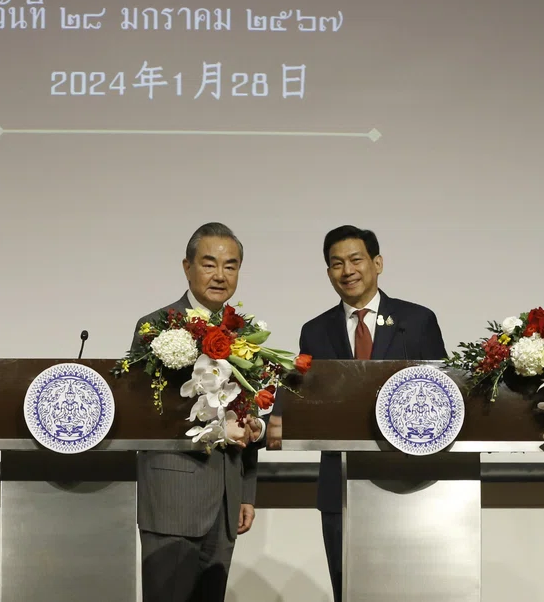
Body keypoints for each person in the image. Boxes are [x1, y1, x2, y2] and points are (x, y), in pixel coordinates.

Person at [270, 225, 447, 601]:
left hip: (408, 482)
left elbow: (445, 397)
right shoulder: (315, 331)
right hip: (341, 484)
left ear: (377, 263)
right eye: (336, 264)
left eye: (355, 260)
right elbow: (305, 399)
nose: (347, 271)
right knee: (347, 589)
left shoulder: (417, 321)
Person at [131, 222, 265, 602]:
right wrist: (222, 427)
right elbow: (150, 409)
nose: (220, 275)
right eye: (209, 264)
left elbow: (247, 406)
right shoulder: (156, 326)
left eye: (231, 265)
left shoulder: (244, 333)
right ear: (187, 267)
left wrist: (246, 491)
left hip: (225, 499)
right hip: (173, 498)